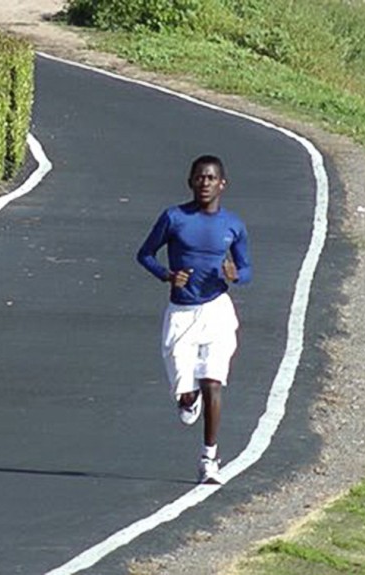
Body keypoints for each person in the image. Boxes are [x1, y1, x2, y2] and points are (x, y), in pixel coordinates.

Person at [135, 155, 251, 484]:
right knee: (187, 395)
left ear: (222, 184)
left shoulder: (234, 225)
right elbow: (144, 254)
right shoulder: (173, 218)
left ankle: (209, 458)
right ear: (190, 182)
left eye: (211, 178)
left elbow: (247, 270)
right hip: (181, 314)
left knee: (213, 381)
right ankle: (188, 397)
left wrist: (236, 274)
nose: (205, 183)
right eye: (199, 178)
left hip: (217, 310)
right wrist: (166, 275)